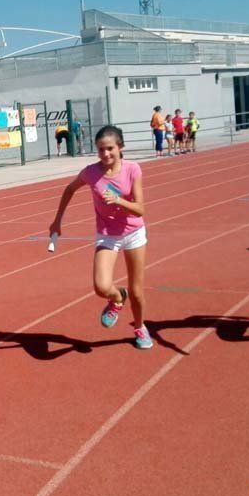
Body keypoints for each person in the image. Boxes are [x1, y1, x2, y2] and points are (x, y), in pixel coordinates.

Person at [49, 125, 152, 348]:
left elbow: (140, 209)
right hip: (108, 235)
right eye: (101, 150)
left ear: (120, 147)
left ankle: (140, 327)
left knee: (137, 291)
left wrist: (119, 201)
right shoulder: (91, 173)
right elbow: (69, 189)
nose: (105, 154)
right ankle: (117, 298)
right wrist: (57, 221)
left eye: (110, 149)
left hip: (134, 233)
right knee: (101, 287)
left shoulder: (133, 169)